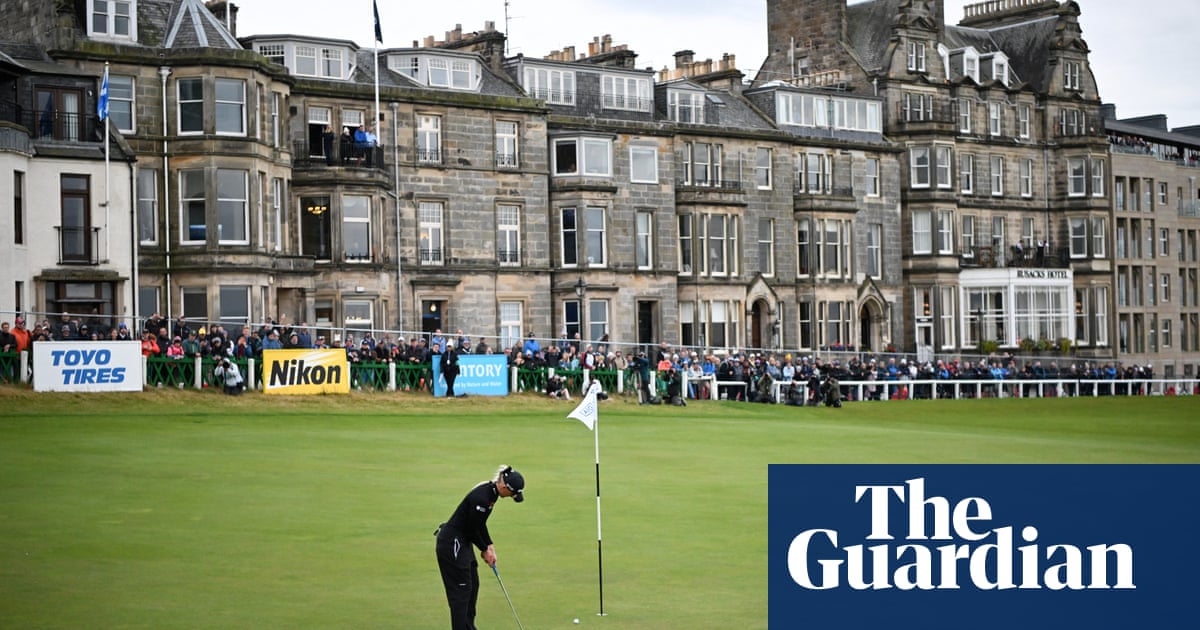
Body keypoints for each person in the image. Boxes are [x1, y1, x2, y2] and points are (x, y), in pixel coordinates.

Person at [435, 465, 525, 630]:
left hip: (463, 543)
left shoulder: (491, 493)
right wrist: (484, 550)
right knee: (461, 595)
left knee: (473, 586)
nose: (513, 497)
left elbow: (479, 523)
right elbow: (471, 529)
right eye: (513, 493)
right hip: (452, 545)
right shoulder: (482, 498)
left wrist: (490, 545)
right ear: (504, 487)